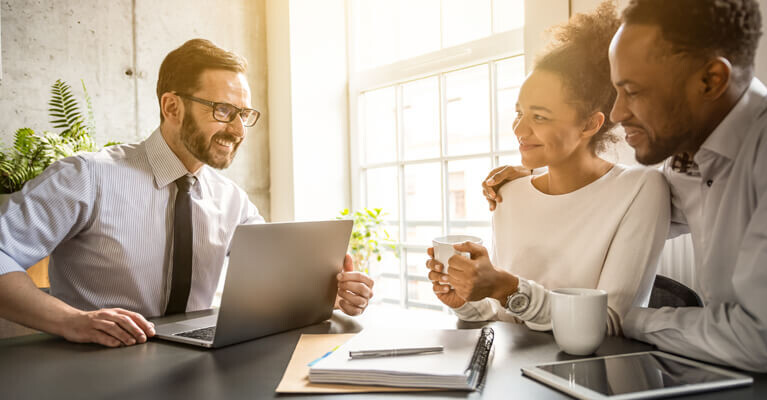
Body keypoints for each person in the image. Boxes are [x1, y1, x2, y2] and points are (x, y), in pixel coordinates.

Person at [0, 39, 373, 348]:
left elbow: (277, 282)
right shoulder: (87, 176)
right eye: (224, 110)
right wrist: (74, 321)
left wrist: (329, 295)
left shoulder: (232, 201)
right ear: (172, 106)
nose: (239, 130)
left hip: (197, 360)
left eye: (245, 114)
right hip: (95, 364)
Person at [484, 0, 767, 372]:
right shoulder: (685, 166)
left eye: (633, 91)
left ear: (710, 80)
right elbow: (615, 201)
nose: (617, 114)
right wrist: (545, 184)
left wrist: (624, 319)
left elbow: (757, 340)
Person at [425, 2, 670, 336]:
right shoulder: (508, 192)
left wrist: (505, 288)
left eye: (539, 116)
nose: (519, 130)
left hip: (588, 377)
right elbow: (503, 314)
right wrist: (465, 298)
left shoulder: (640, 189)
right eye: (518, 113)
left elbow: (610, 322)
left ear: (589, 124)